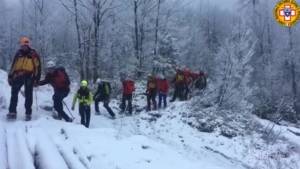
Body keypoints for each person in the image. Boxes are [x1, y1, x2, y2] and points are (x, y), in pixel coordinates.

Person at [7, 36, 41, 121]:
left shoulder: (33, 54)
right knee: (14, 93)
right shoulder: (18, 53)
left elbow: (38, 67)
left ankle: (28, 113)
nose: (24, 47)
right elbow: (14, 65)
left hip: (29, 76)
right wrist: (10, 76)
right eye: (22, 45)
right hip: (18, 75)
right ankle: (12, 112)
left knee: (28, 95)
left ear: (28, 45)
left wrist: (37, 79)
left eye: (25, 45)